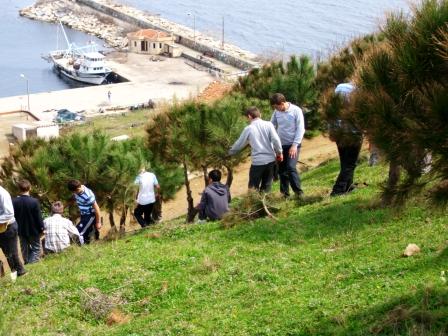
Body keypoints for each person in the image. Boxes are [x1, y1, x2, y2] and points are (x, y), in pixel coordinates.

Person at [229, 106, 283, 192]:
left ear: (249, 116)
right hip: (271, 161)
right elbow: (276, 140)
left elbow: (239, 144)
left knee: (253, 188)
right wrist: (279, 153)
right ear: (260, 114)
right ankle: (263, 204)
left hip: (258, 162)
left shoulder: (248, 129)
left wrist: (229, 153)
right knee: (266, 186)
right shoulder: (269, 124)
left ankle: (254, 203)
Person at [329, 83, 363, 196]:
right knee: (350, 164)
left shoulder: (335, 105)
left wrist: (332, 132)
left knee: (345, 162)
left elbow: (330, 120)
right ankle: (337, 190)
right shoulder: (356, 102)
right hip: (353, 134)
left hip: (339, 135)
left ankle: (348, 185)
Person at [270, 93, 305, 198]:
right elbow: (272, 126)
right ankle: (285, 194)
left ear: (282, 103)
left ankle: (299, 193)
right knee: (282, 171)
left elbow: (300, 129)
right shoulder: (276, 112)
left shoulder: (296, 111)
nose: (276, 109)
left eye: (276, 106)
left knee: (290, 167)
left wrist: (294, 145)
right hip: (281, 145)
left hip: (294, 145)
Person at [12, 179, 44, 264]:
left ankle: (26, 262)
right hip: (33, 229)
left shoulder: (14, 201)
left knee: (24, 248)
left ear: (19, 189)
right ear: (30, 188)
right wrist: (42, 228)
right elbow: (38, 217)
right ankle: (32, 264)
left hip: (20, 229)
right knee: (36, 248)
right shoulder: (34, 201)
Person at [0, 185, 26, 277]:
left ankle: (20, 274)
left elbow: (9, 214)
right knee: (9, 255)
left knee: (11, 255)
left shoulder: (2, 193)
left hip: (8, 228)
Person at [67, 180, 102, 244]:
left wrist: (98, 222)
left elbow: (97, 208)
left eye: (74, 192)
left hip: (90, 215)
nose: (74, 193)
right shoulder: (78, 187)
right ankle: (88, 245)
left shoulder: (88, 196)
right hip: (83, 214)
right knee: (86, 232)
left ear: (77, 189)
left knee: (79, 233)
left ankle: (79, 248)